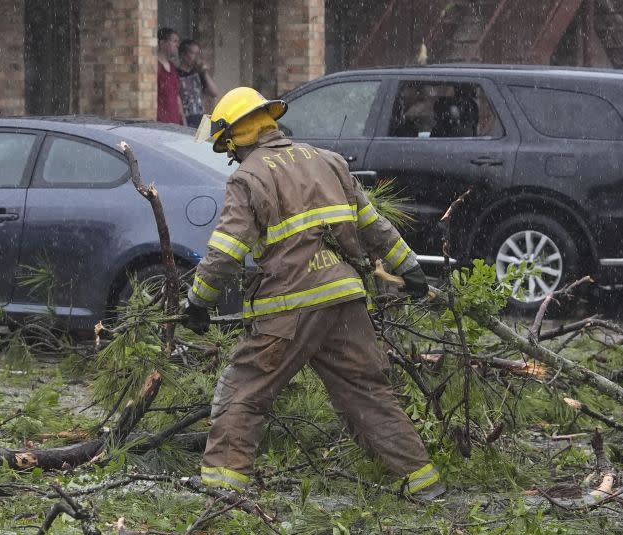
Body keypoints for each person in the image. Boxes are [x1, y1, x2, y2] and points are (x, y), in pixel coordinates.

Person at [183, 87, 446, 501]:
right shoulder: (328, 161)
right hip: (344, 301)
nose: (228, 156)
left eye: (226, 147)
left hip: (289, 308)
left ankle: (222, 491)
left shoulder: (249, 177)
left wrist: (198, 301)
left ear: (236, 137)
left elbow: (227, 251)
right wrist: (410, 270)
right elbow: (374, 226)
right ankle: (424, 484)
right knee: (368, 393)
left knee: (244, 392)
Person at [177, 39, 220, 129]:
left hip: (200, 118)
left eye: (198, 54)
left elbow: (214, 93)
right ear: (183, 54)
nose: (196, 57)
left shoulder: (198, 73)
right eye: (193, 53)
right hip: (183, 118)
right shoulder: (176, 74)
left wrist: (204, 72)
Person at [156, 28, 184, 125]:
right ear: (162, 43)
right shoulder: (155, 66)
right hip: (159, 125)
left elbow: (177, 96)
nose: (178, 45)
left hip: (174, 123)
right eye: (174, 41)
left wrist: (183, 121)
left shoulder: (172, 67)